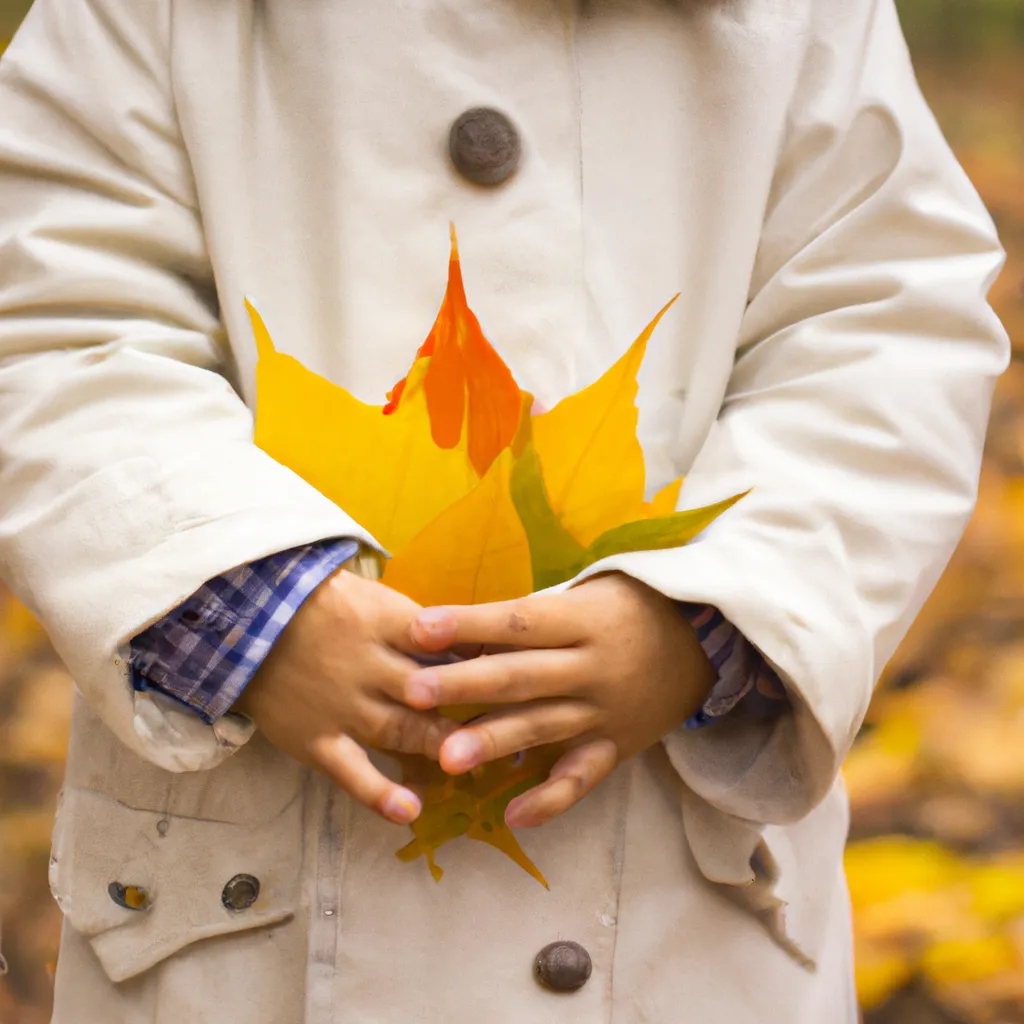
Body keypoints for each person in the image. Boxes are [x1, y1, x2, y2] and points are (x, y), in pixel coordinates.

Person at [0, 0, 1008, 1021]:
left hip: (678, 921)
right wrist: (240, 607)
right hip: (244, 914)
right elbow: (56, 310)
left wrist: (708, 619)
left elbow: (879, 329)